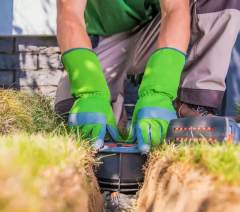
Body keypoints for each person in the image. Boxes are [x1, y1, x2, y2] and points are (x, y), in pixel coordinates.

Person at [55, 0, 240, 152]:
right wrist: (89, 92)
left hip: (157, 30)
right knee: (70, 115)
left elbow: (175, 8)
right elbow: (69, 11)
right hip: (104, 37)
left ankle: (192, 104)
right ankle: (115, 110)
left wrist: (158, 92)